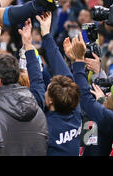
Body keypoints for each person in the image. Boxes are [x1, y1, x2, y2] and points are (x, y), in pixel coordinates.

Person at [24, 13, 83, 156]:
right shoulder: (76, 110)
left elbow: (37, 83)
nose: (45, 89)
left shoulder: (42, 127)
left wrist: (28, 46)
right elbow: (63, 72)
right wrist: (46, 34)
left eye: (47, 89)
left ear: (50, 101)